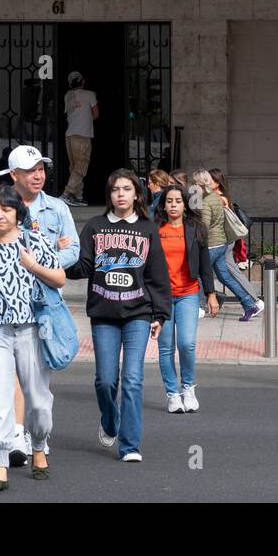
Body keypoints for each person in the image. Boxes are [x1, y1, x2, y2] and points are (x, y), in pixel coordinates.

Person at [0, 144, 79, 465]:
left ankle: (36, 431)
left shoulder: (57, 209)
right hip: (3, 305)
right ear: (14, 175)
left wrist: (43, 259)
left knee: (39, 378)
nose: (39, 176)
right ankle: (17, 432)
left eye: (41, 169)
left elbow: (72, 252)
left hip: (44, 302)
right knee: (11, 373)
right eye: (31, 171)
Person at [69, 170, 171, 461]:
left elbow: (157, 275)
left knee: (133, 379)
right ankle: (110, 421)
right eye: (116, 189)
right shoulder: (95, 226)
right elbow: (83, 266)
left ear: (137, 194)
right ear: (109, 195)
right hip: (103, 314)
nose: (121, 194)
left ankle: (129, 445)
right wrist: (60, 260)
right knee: (105, 381)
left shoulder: (146, 228)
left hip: (138, 314)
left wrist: (160, 314)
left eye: (127, 189)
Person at [154, 184, 220, 413]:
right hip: (161, 297)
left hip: (188, 293)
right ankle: (172, 394)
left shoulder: (196, 228)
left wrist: (211, 294)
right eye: (169, 201)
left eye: (178, 201)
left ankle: (188, 387)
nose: (173, 205)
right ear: (163, 204)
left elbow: (204, 265)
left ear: (185, 204)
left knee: (186, 343)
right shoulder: (154, 228)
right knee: (165, 348)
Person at [193, 169, 264, 320]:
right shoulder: (215, 197)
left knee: (198, 275)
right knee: (225, 277)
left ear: (200, 183)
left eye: (195, 183)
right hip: (221, 244)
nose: (193, 186)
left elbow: (204, 226)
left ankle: (199, 307)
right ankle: (249, 304)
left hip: (211, 245)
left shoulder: (205, 201)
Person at [62, 71, 99, 206]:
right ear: (83, 81)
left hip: (70, 136)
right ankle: (67, 193)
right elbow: (96, 114)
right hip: (83, 136)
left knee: (74, 168)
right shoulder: (90, 95)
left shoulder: (68, 95)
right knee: (81, 167)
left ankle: (78, 196)